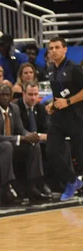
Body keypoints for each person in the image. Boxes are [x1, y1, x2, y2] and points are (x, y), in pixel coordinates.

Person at [45, 36, 83, 201]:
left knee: (80, 155)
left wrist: (67, 102)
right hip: (58, 119)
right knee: (51, 151)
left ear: (65, 49)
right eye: (51, 48)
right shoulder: (50, 70)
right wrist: (52, 105)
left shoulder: (74, 68)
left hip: (75, 116)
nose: (53, 51)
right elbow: (57, 94)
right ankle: (71, 181)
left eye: (57, 47)